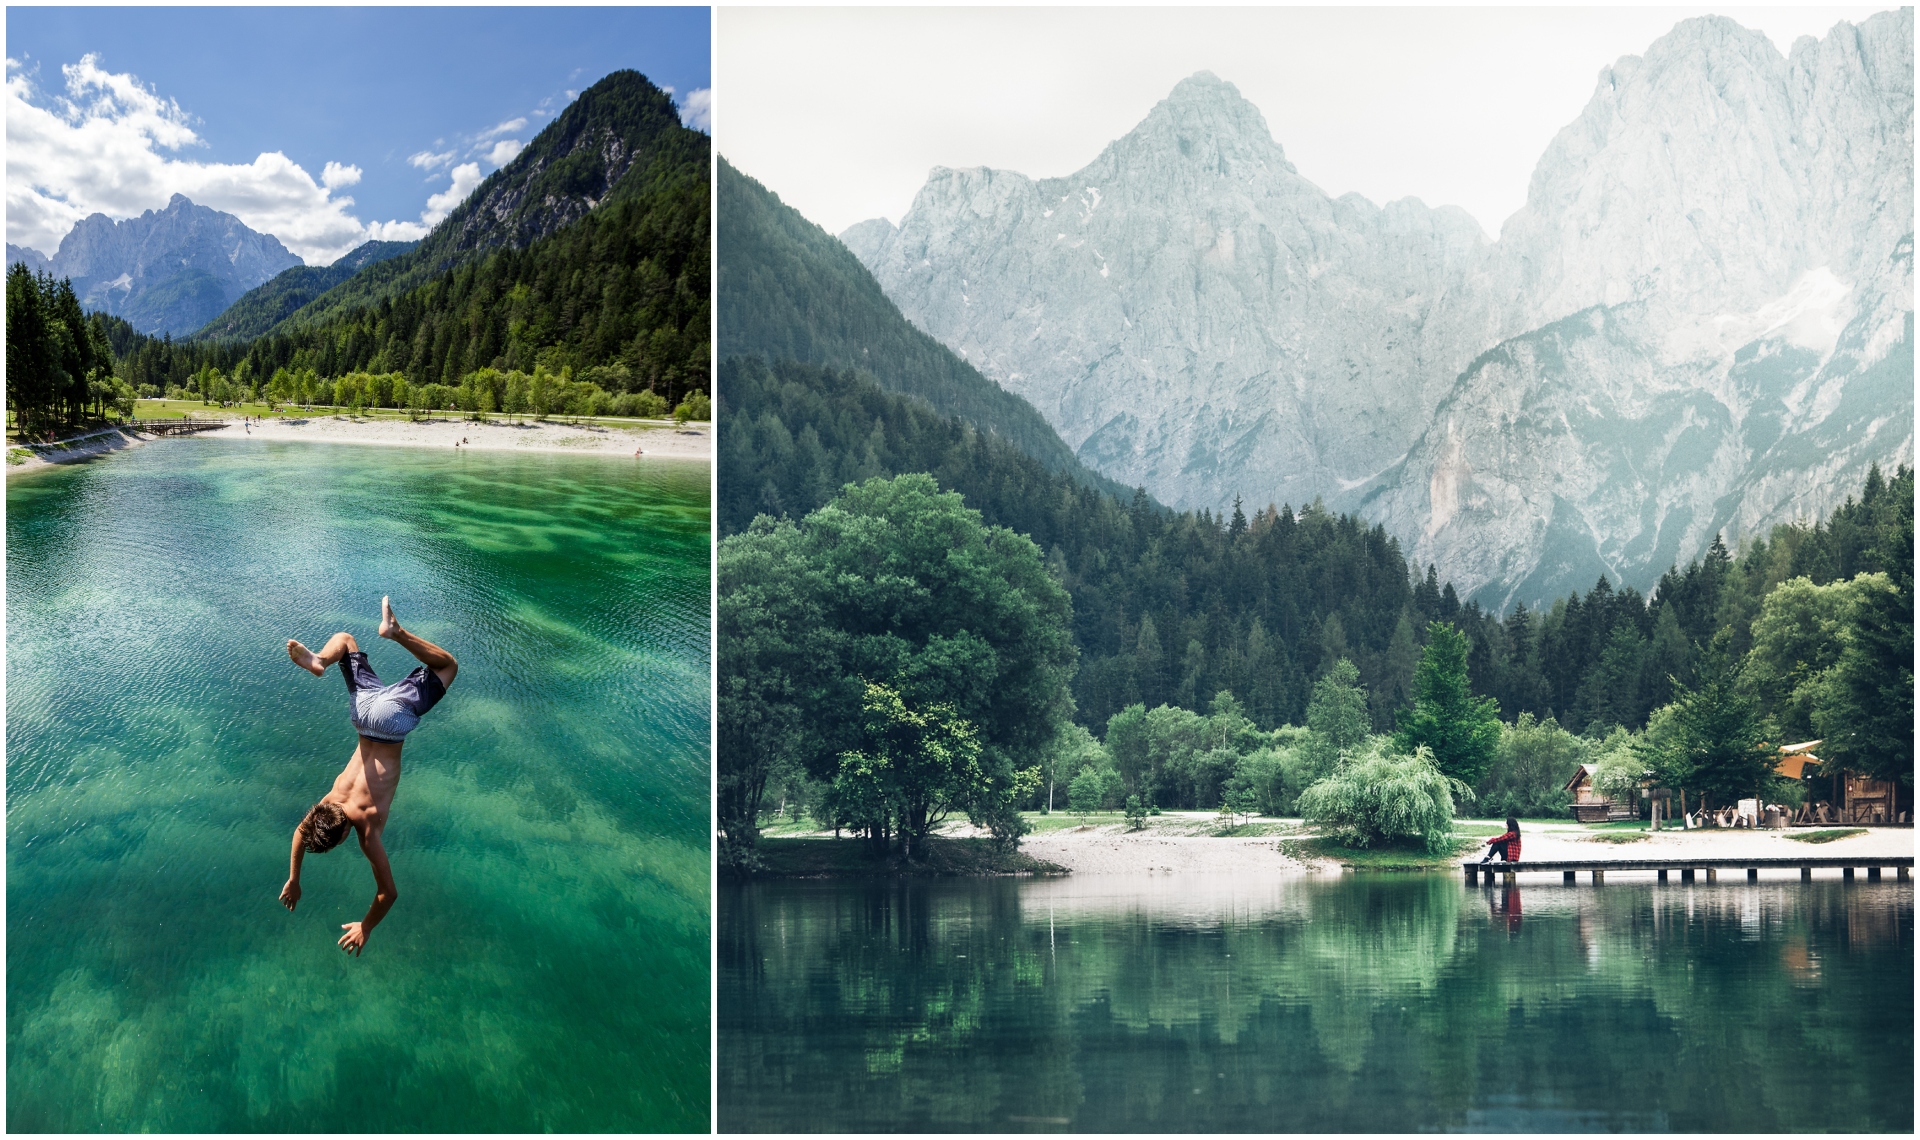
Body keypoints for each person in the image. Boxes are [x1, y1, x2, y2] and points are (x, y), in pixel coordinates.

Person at [279, 596, 457, 955]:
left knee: (448, 666)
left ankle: (396, 632)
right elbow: (300, 833)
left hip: (392, 722)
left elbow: (388, 893)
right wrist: (293, 878)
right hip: (363, 712)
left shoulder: (366, 829)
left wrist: (367, 926)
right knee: (345, 639)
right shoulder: (327, 802)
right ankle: (319, 661)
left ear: (344, 831)